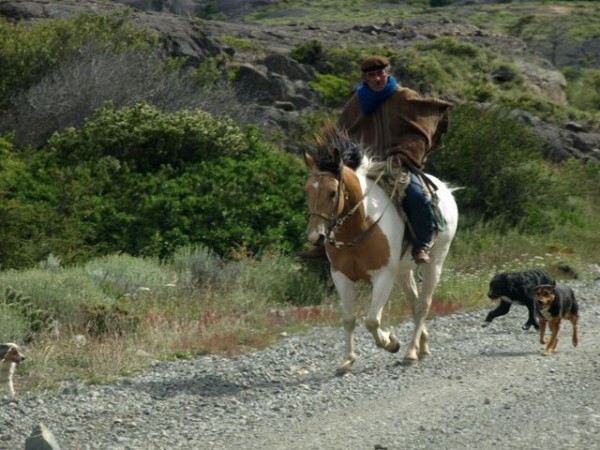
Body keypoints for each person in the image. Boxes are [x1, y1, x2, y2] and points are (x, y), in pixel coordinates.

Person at [300, 55, 452, 264]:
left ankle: (421, 244)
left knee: (416, 195)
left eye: (380, 73)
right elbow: (343, 133)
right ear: (365, 78)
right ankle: (322, 244)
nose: (378, 78)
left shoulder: (404, 97)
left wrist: (405, 153)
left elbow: (421, 128)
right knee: (330, 195)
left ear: (387, 73)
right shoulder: (357, 102)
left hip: (397, 164)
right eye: (372, 75)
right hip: (363, 166)